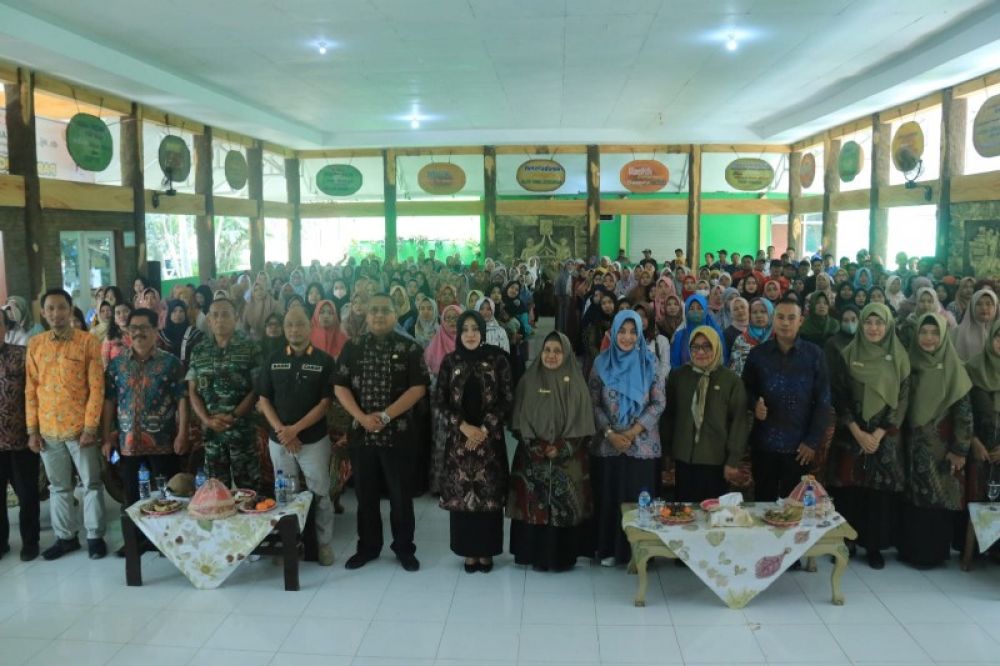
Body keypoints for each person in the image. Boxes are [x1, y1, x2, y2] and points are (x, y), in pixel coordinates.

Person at [333, 293, 429, 572]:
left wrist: (386, 416)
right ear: (366, 314)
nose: (378, 315)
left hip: (398, 434)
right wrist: (361, 417)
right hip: (362, 434)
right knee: (366, 496)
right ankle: (368, 547)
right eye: (373, 310)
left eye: (384, 310)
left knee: (401, 497)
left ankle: (404, 548)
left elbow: (418, 388)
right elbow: (340, 386)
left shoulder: (410, 348)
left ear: (395, 314)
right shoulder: (353, 347)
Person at [25, 289, 107, 560]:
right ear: (43, 312)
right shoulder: (35, 345)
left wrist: (91, 427)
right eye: (50, 308)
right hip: (48, 430)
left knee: (91, 483)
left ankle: (95, 537)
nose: (56, 313)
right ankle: (66, 537)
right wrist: (32, 430)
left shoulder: (87, 341)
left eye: (61, 307)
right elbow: (30, 390)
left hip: (80, 429)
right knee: (58, 487)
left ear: (70, 309)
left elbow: (97, 388)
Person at [827, 303, 909, 569]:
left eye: (879, 323)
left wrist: (878, 434)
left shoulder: (900, 357)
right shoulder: (847, 354)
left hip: (884, 438)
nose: (873, 328)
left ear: (888, 326)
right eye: (868, 322)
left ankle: (873, 546)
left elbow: (902, 400)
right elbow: (839, 394)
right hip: (851, 434)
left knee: (878, 495)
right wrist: (857, 432)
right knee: (849, 492)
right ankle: (846, 542)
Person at [102, 308, 188, 555]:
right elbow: (109, 401)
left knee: (168, 494)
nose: (138, 333)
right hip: (128, 443)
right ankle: (135, 542)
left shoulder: (171, 363)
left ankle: (169, 541)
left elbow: (182, 399)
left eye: (144, 327)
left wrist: (182, 433)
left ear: (155, 330)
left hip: (163, 442)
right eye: (134, 328)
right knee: (132, 496)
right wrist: (106, 435)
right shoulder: (117, 365)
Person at [257, 307, 337, 566]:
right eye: (290, 324)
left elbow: (325, 403)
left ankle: (323, 544)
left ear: (310, 327)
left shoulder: (324, 361)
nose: (295, 329)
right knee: (285, 494)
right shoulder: (273, 359)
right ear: (284, 329)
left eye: (300, 324)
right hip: (279, 440)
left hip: (313, 440)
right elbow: (264, 399)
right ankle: (288, 544)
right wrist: (283, 431)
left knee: (320, 493)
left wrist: (295, 430)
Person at [508, 331, 594, 572]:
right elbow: (518, 420)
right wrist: (537, 446)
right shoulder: (528, 381)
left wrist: (562, 447)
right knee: (532, 502)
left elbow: (583, 422)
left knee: (563, 504)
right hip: (532, 457)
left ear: (566, 354)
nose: (551, 355)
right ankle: (530, 554)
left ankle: (561, 557)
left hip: (568, 459)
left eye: (558, 351)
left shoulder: (577, 383)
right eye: (547, 350)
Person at [434, 311, 513, 573]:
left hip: (489, 443)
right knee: (463, 495)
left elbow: (507, 398)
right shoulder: (450, 361)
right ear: (459, 333)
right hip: (459, 442)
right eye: (465, 329)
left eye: (475, 329)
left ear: (482, 331)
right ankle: (468, 552)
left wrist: (484, 428)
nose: (470, 334)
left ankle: (487, 552)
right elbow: (439, 401)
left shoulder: (498, 360)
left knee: (488, 496)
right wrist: (464, 427)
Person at [590, 310, 665, 566]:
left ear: (640, 334)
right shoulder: (601, 363)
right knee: (611, 496)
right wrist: (610, 434)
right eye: (622, 331)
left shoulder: (650, 362)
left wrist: (631, 433)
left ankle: (639, 552)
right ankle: (610, 550)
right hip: (608, 443)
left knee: (638, 497)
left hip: (642, 444)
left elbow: (658, 403)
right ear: (613, 332)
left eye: (633, 332)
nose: (627, 337)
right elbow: (593, 403)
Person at [899, 313, 972, 568]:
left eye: (934, 333)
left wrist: (960, 449)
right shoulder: (908, 364)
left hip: (941, 449)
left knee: (937, 499)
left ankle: (933, 554)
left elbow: (964, 413)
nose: (928, 338)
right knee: (912, 499)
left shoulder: (955, 368)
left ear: (943, 337)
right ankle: (909, 550)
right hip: (911, 445)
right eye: (923, 332)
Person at [743, 298, 830, 501]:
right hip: (764, 444)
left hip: (800, 447)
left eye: (791, 318)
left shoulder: (814, 355)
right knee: (763, 503)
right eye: (780, 317)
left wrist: (812, 441)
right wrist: (754, 404)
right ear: (773, 320)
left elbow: (824, 400)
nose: (785, 323)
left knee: (795, 506)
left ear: (801, 321)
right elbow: (744, 389)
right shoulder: (758, 354)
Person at [662, 326, 748, 502]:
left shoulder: (731, 380)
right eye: (695, 347)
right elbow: (669, 416)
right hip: (684, 459)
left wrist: (733, 460)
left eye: (707, 346)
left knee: (714, 512)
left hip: (716, 460)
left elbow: (739, 422)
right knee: (685, 511)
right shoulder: (679, 377)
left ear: (716, 347)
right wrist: (667, 453)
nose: (701, 352)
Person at [187, 298, 261, 490]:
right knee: (215, 491)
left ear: (236, 318)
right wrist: (206, 419)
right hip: (212, 434)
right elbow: (192, 391)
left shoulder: (251, 348)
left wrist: (234, 416)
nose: (220, 319)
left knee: (249, 491)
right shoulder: (199, 350)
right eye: (215, 315)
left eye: (226, 314)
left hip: (242, 431)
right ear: (209, 320)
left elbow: (257, 389)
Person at [0, 310, 39, 561]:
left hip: (22, 439)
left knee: (27, 495)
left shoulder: (22, 354)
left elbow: (35, 392)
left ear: (6, 328)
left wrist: (35, 430)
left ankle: (30, 542)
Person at [728, 298, 773, 376]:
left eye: (763, 311)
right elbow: (735, 369)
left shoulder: (778, 338)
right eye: (754, 312)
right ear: (749, 315)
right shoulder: (742, 340)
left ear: (771, 314)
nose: (759, 315)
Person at [954, 289, 999, 362]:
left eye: (988, 304)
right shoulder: (957, 331)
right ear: (972, 306)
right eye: (979, 304)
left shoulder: (998, 329)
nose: (984, 308)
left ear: (996, 307)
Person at [159, 299, 204, 369]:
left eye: (181, 311)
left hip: (190, 371)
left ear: (185, 314)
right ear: (169, 314)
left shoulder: (194, 333)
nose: (178, 314)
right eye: (174, 311)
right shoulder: (162, 334)